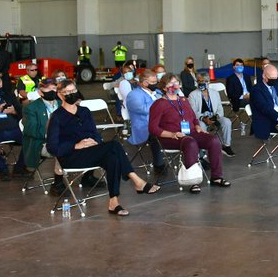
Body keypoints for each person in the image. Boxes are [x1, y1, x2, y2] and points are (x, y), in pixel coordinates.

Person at [47, 78, 159, 216]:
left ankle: (114, 201)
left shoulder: (84, 111)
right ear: (60, 95)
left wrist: (95, 142)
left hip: (91, 152)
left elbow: (96, 134)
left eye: (73, 91)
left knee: (112, 157)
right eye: (67, 92)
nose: (71, 94)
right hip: (71, 156)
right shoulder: (57, 117)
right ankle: (136, 180)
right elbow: (52, 147)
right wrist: (76, 145)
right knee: (114, 146)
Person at [148, 73, 230, 192]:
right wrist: (172, 134)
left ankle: (216, 176)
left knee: (213, 140)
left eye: (176, 83)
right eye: (171, 83)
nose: (175, 85)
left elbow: (193, 117)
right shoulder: (159, 104)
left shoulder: (183, 100)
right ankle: (193, 181)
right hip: (171, 137)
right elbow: (153, 128)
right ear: (164, 87)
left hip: (190, 132)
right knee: (190, 142)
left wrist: (197, 126)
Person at [125, 69, 168, 177]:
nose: (156, 84)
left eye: (156, 82)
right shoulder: (134, 95)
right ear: (144, 83)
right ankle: (159, 165)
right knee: (156, 134)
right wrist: (160, 103)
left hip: (162, 123)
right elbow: (144, 110)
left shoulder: (157, 93)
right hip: (144, 127)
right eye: (153, 83)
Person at [188, 72, 235, 156]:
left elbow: (220, 108)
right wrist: (204, 118)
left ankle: (226, 145)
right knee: (201, 125)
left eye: (203, 81)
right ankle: (202, 149)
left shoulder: (215, 93)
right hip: (201, 118)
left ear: (208, 82)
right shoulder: (192, 95)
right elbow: (193, 111)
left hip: (214, 116)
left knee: (227, 122)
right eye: (199, 81)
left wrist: (216, 117)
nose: (201, 83)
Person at [21, 76, 59, 181]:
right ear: (40, 92)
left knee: (89, 145)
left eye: (54, 89)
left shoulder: (62, 104)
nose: (52, 91)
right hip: (41, 142)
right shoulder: (31, 108)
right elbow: (31, 130)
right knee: (64, 148)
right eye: (49, 89)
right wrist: (49, 127)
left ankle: (87, 176)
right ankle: (59, 180)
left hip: (63, 138)